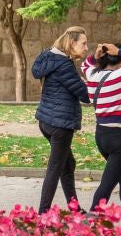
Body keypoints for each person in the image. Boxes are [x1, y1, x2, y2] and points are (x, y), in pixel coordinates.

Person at [31, 27, 92, 211]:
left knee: (67, 164)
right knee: (55, 168)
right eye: (84, 43)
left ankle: (74, 208)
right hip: (60, 124)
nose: (86, 47)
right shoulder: (65, 65)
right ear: (72, 43)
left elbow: (36, 71)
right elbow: (84, 96)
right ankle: (43, 212)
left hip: (46, 121)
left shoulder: (50, 56)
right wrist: (88, 83)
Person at [84, 41, 121, 214]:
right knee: (107, 185)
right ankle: (91, 223)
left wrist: (95, 57)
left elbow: (85, 64)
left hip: (101, 135)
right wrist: (120, 51)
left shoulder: (93, 75)